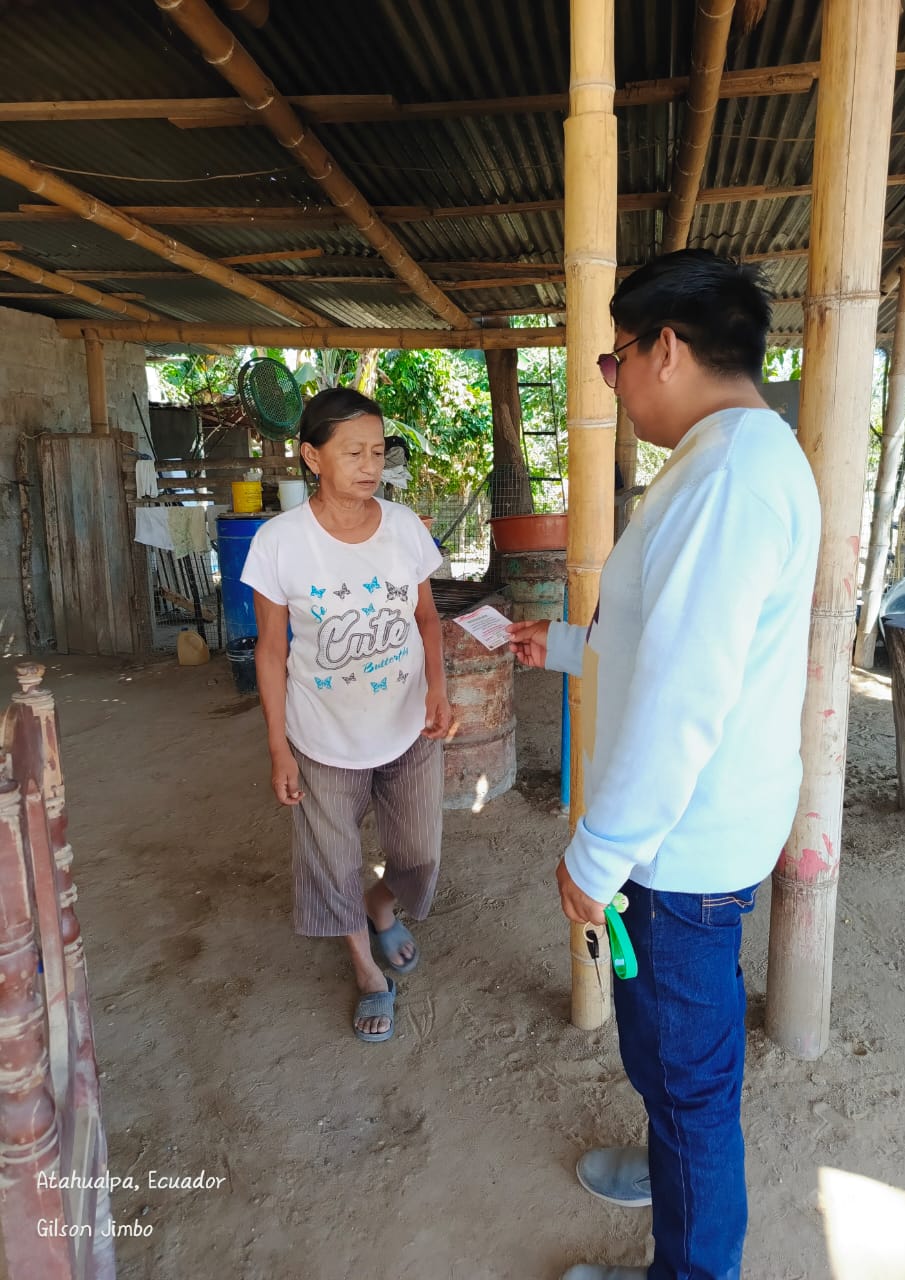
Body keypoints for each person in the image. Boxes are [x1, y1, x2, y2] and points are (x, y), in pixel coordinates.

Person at [509, 250, 821, 1280]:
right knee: (675, 1053)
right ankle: (669, 1167)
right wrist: (563, 645)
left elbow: (683, 701)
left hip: (682, 849)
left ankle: (692, 1258)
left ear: (668, 348)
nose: (615, 379)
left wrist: (599, 852)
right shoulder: (731, 457)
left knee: (688, 1078)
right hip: (702, 830)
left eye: (617, 358)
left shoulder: (726, 480)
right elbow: (671, 641)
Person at [241, 387, 451, 1044]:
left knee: (419, 856)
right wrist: (278, 748)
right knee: (332, 864)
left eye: (377, 451)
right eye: (353, 452)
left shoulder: (405, 527)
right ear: (312, 457)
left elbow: (426, 619)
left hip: (408, 727)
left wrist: (438, 688)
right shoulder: (279, 543)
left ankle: (381, 905)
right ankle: (367, 971)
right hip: (323, 737)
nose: (370, 465)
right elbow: (271, 650)